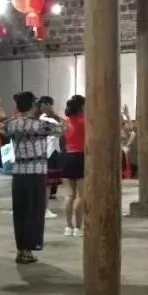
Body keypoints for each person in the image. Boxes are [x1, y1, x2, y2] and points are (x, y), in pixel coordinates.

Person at [0, 91, 64, 264]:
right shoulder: (40, 125)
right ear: (33, 106)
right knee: (34, 212)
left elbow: (1, 127)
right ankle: (29, 249)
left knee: (20, 212)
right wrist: (53, 114)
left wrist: (14, 115)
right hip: (36, 173)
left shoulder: (12, 124)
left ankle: (21, 250)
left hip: (19, 174)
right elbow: (65, 128)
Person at [61, 95, 86, 237]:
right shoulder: (84, 122)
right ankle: (78, 228)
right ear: (82, 106)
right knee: (81, 195)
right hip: (80, 158)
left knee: (69, 194)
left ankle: (68, 227)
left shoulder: (66, 122)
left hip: (66, 157)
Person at [39, 96, 64, 212]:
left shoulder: (40, 119)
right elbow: (64, 128)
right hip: (50, 153)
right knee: (47, 184)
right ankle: (45, 209)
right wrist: (55, 115)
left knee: (45, 183)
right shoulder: (50, 120)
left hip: (44, 152)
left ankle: (43, 208)